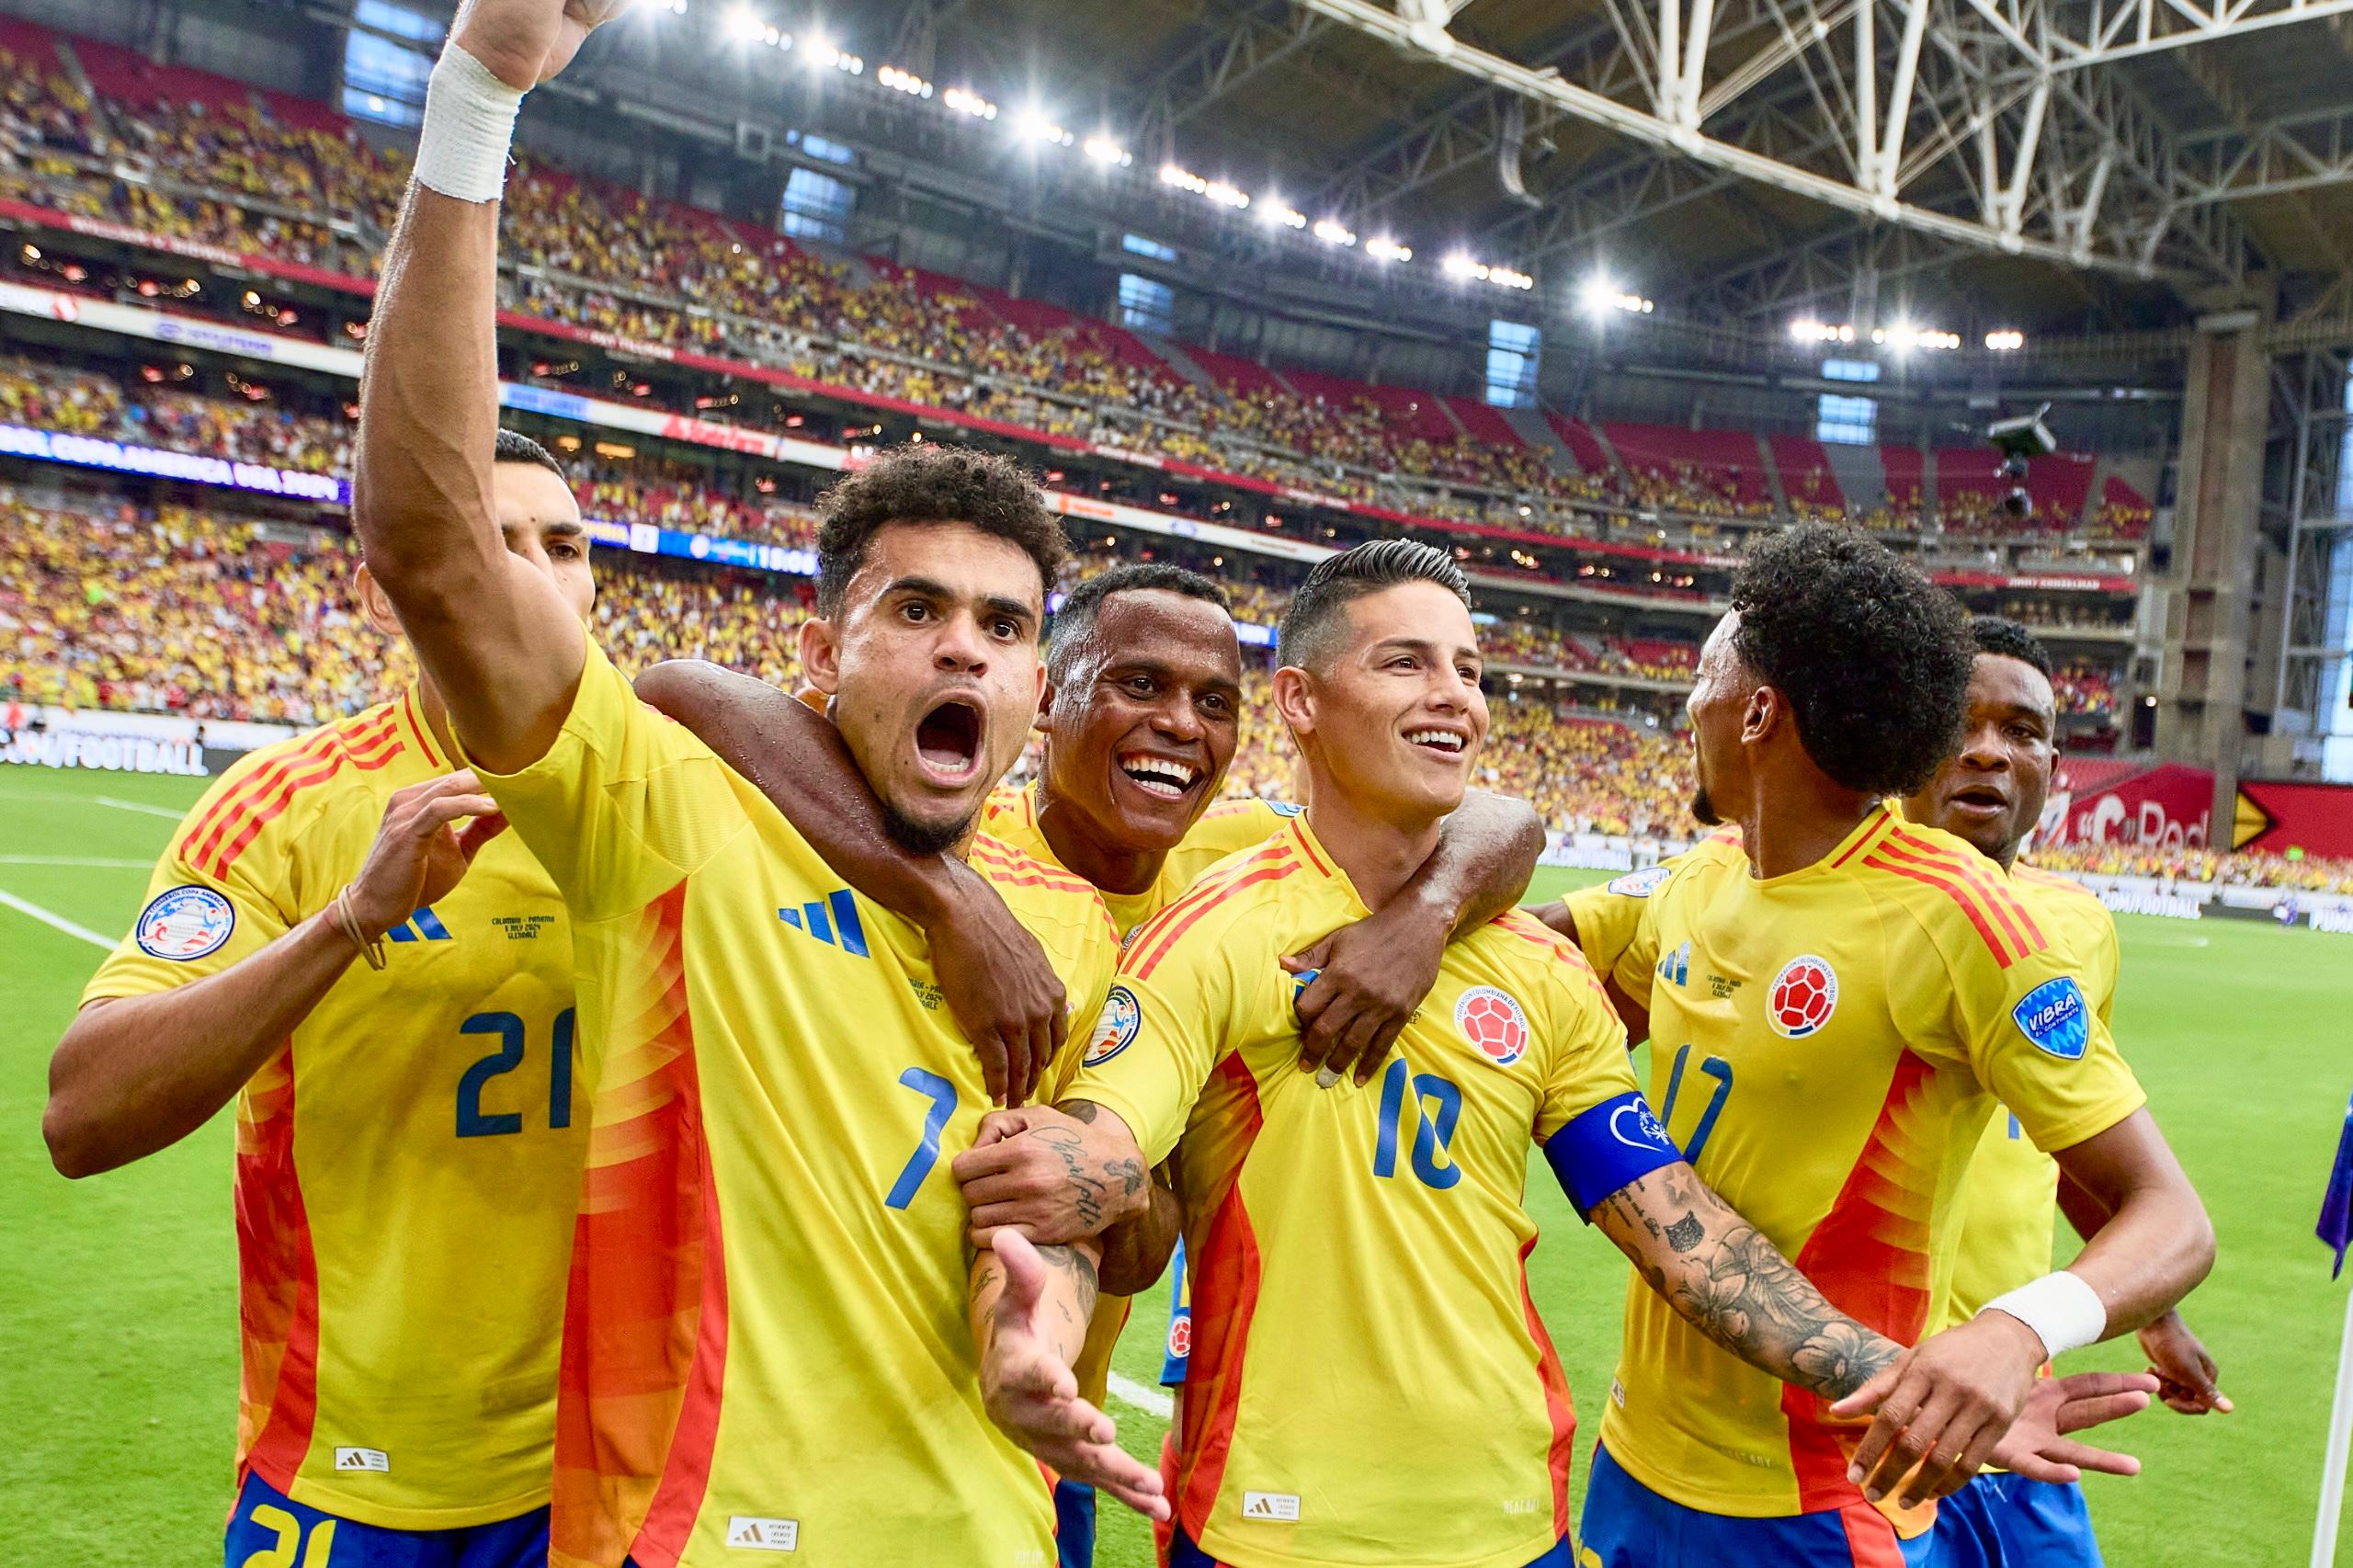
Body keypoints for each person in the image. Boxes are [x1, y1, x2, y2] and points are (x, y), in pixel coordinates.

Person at [347, 5, 1160, 1562]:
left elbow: (1044, 1208)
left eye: (1004, 628)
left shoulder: (1070, 922)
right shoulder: (669, 814)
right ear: (823, 648)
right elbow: (433, 545)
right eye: (915, 609)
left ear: (1035, 689)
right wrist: (479, 95)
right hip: (695, 1531)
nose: (965, 648)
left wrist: (1040, 1312)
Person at [958, 540, 2149, 1568]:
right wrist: (1036, 1343)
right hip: (1269, 1521)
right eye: (1406, 663)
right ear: (1303, 702)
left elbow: (1679, 1229)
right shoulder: (1215, 929)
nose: (1454, 695)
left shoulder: (1534, 966)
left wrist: (1915, 1383)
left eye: (1470, 669)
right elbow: (1089, 1157)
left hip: (1511, 1518)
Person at [635, 559, 1545, 1567]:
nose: (1180, 724)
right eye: (1137, 684)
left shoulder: (1233, 868)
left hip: (1045, 1430)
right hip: (809, 1439)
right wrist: (951, 898)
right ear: (1047, 699)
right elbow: (686, 688)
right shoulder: (952, 837)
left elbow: (1504, 820)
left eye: (1214, 702)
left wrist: (1424, 915)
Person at [1574, 525, 2213, 1565]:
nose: (1687, 705)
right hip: (1636, 1457)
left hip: (1831, 1488)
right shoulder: (1700, 878)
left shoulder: (1960, 918)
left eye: (1702, 678)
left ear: (1756, 711)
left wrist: (2018, 1327)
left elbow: (2171, 1215)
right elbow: (1519, 949)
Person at [45, 432, 591, 1567]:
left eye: (565, 545)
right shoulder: (285, 805)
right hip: (347, 1473)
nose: (535, 573)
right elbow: (84, 1112)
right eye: (491, 541)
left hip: (607, 1469)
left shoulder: (674, 793)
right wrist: (348, 920)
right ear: (387, 590)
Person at [1901, 616, 2227, 1568]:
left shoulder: (2075, 927)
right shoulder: (1821, 903)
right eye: (1957, 722)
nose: (1986, 751)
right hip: (1877, 1401)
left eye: (2020, 731)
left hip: (2018, 1397)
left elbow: (2074, 1142)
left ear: (2054, 765)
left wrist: (2153, 1312)